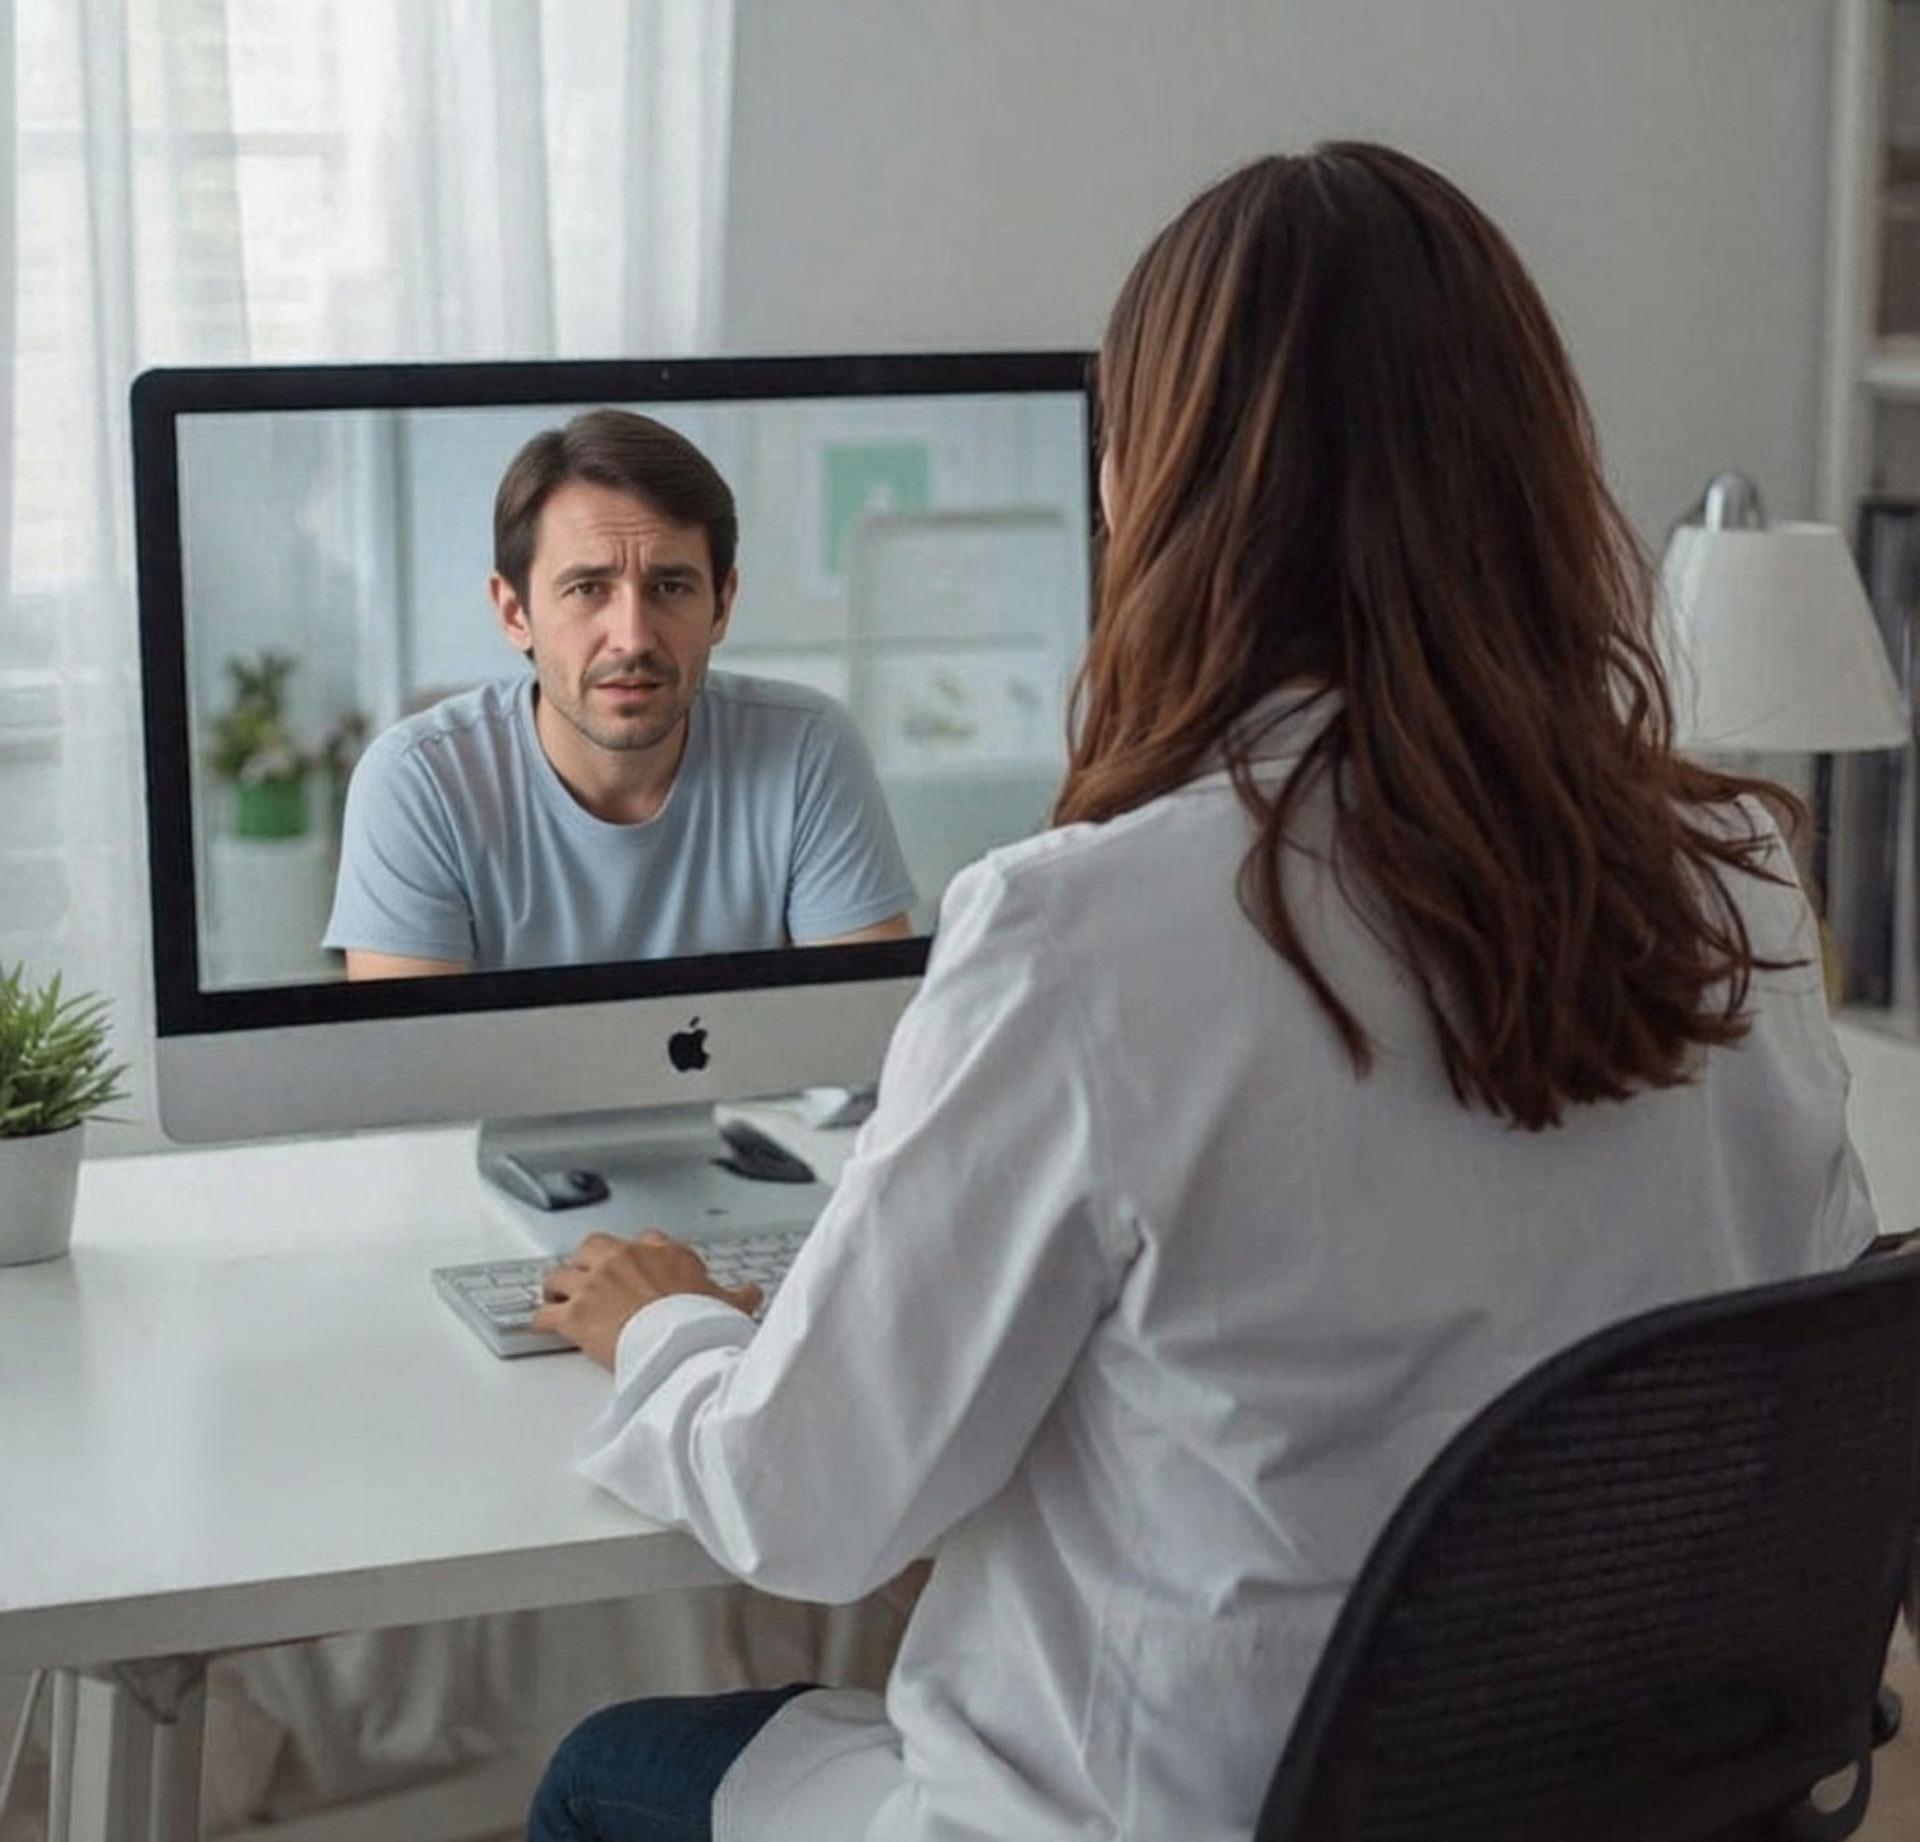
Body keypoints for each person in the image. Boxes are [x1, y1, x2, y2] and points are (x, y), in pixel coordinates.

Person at [520, 143, 1879, 1842]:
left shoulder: (1083, 930)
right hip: (1618, 1808)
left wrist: (663, 1323)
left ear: (1148, 492)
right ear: (1531, 473)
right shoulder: (1735, 873)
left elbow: (811, 1510)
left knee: (606, 1776)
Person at [324, 408, 917, 977]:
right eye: (587, 589)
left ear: (722, 603)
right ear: (513, 612)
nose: (632, 638)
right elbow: (418, 1073)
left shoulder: (808, 748)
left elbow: (864, 1046)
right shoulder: (416, 782)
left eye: (670, 586)